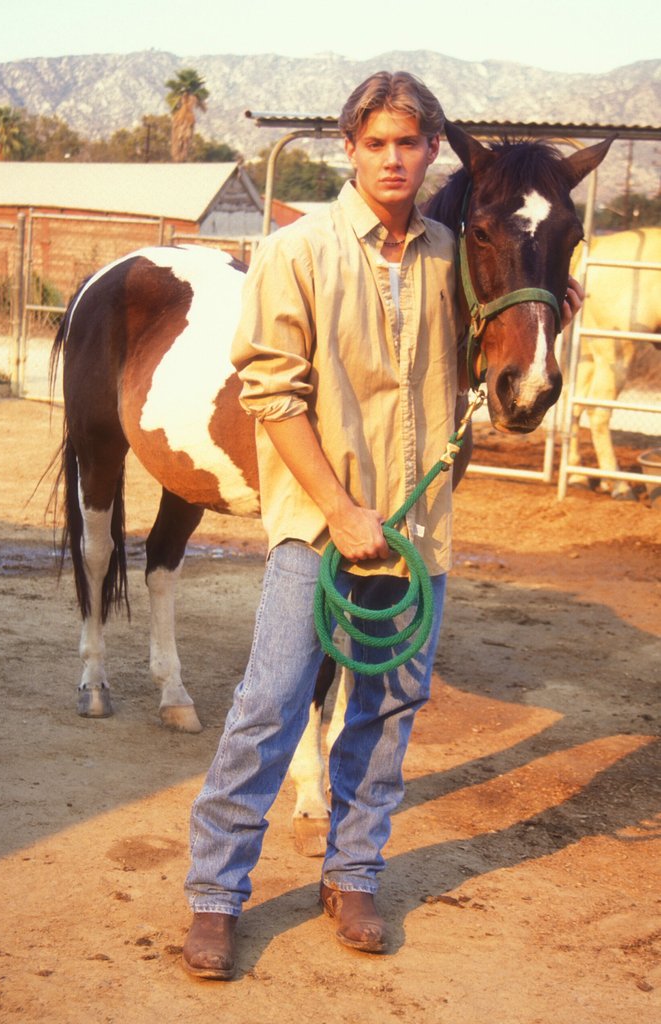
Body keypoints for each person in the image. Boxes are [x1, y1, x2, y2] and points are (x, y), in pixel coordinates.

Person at [182, 70, 581, 981]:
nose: (394, 158)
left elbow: (505, 313)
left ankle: (352, 873)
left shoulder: (455, 250)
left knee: (390, 712)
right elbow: (272, 397)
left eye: (410, 143)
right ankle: (215, 895)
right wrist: (340, 510)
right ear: (350, 148)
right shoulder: (300, 252)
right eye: (377, 143)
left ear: (432, 151)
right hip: (319, 532)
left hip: (417, 533)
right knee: (269, 709)